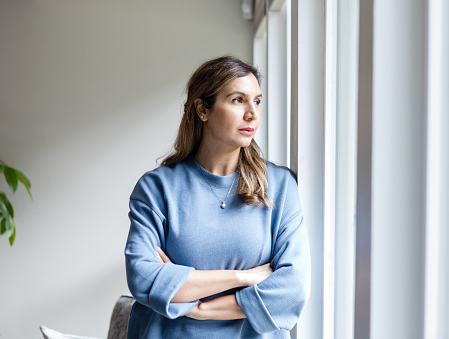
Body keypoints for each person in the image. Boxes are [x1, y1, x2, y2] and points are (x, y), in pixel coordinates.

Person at [125, 56, 310, 338]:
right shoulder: (157, 188)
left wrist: (199, 308)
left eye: (257, 101)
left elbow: (292, 288)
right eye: (238, 100)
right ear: (202, 109)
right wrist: (244, 278)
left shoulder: (281, 186)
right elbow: (142, 277)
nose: (252, 114)